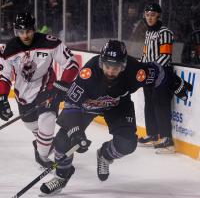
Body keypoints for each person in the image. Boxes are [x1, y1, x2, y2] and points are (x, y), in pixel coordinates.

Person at [38, 40, 192, 195]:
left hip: (117, 104)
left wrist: (175, 82)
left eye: (116, 67)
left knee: (127, 144)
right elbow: (71, 105)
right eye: (107, 66)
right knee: (63, 140)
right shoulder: (88, 74)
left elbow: (158, 72)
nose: (111, 71)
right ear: (101, 63)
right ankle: (61, 175)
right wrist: (76, 133)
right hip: (87, 106)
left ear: (123, 66)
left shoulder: (134, 71)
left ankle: (104, 154)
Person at [0, 12, 80, 168]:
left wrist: (63, 84)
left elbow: (72, 64)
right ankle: (44, 144)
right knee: (32, 126)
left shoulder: (50, 43)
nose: (25, 35)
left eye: (28, 31)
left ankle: (42, 156)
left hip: (47, 89)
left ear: (34, 29)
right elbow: (4, 76)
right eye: (21, 32)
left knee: (47, 120)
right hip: (23, 94)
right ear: (16, 31)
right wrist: (2, 98)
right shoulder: (8, 50)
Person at [138, 3, 175, 153]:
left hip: (162, 74)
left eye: (153, 15)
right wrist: (141, 66)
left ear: (158, 16)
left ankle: (167, 140)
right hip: (150, 74)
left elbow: (165, 57)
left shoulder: (165, 32)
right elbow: (146, 54)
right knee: (149, 103)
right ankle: (152, 134)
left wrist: (150, 70)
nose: (150, 17)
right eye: (147, 15)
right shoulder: (148, 32)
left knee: (161, 105)